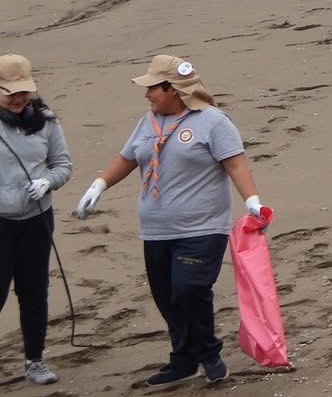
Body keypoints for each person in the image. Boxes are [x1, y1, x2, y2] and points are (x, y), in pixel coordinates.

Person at [73, 54, 266, 389]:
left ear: (174, 89)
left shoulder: (213, 122)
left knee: (189, 289)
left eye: (153, 88)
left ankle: (209, 354)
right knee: (166, 297)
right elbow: (128, 157)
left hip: (203, 227)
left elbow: (236, 165)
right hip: (156, 229)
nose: (147, 95)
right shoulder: (147, 122)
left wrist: (253, 202)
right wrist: (99, 185)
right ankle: (183, 360)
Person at [1, 54, 70, 388]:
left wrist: (48, 182)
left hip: (37, 220)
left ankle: (35, 360)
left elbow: (62, 165)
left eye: (24, 92)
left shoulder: (46, 121)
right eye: (10, 93)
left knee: (34, 292)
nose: (19, 99)